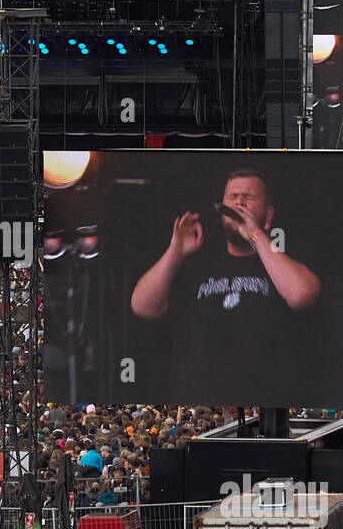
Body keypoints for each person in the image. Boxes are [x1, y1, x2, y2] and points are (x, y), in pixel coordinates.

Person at [129, 168, 321, 401]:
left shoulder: (282, 260)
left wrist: (255, 234)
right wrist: (175, 252)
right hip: (199, 406)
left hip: (264, 404)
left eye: (249, 198)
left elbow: (302, 295)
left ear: (268, 214)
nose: (239, 202)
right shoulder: (198, 263)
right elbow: (142, 306)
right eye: (232, 197)